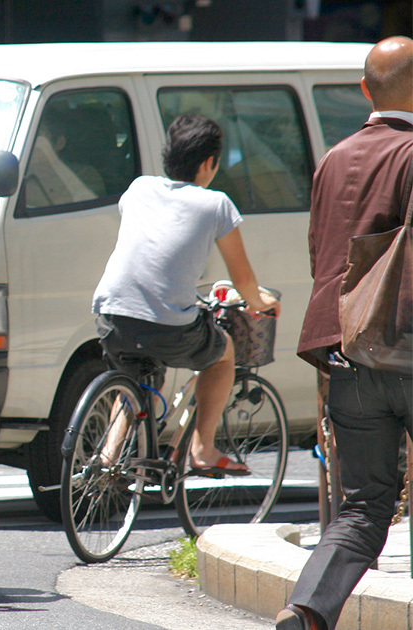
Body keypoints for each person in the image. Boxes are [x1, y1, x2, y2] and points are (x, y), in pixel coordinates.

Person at [277, 36, 413, 630]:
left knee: (362, 507)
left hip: (348, 356)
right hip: (409, 348)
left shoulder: (333, 158)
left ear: (365, 90)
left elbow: (321, 259)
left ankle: (306, 611)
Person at [91, 113, 281, 476]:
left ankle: (108, 459)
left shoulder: (139, 188)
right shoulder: (216, 204)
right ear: (209, 163)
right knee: (222, 352)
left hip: (112, 316)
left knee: (135, 377)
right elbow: (243, 280)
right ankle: (203, 448)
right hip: (167, 326)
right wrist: (261, 303)